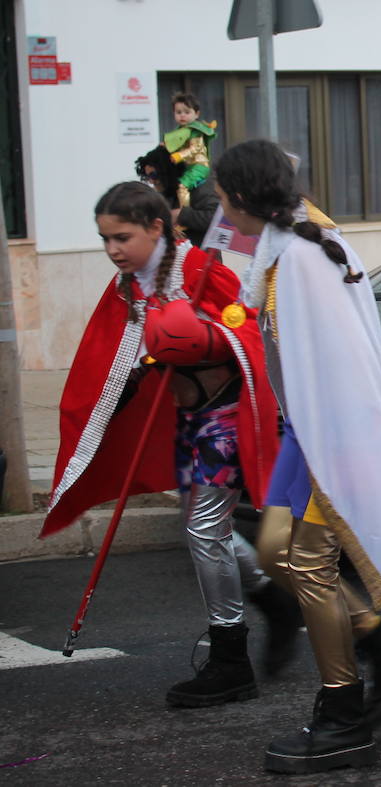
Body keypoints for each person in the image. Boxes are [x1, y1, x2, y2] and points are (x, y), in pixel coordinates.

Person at [211, 139, 381, 774]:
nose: (220, 210)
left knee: (308, 563)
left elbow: (342, 369)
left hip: (332, 433)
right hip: (306, 429)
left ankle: (344, 715)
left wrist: (333, 453)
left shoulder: (305, 258)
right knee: (273, 551)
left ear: (241, 198)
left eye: (224, 198)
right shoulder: (287, 249)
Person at [44, 180, 291, 706]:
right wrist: (137, 371)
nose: (112, 249)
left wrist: (203, 341)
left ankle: (231, 656)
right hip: (184, 417)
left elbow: (250, 328)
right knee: (203, 528)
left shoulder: (200, 270)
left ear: (156, 227)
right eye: (105, 238)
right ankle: (276, 599)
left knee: (204, 529)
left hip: (221, 413)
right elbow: (122, 346)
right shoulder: (130, 284)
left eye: (122, 236)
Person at [160, 93, 220, 247]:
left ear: (197, 113)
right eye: (178, 112)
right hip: (176, 253)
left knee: (182, 186)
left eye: (187, 112)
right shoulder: (181, 131)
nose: (182, 116)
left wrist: (182, 215)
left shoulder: (196, 131)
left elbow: (195, 149)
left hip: (198, 166)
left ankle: (183, 215)